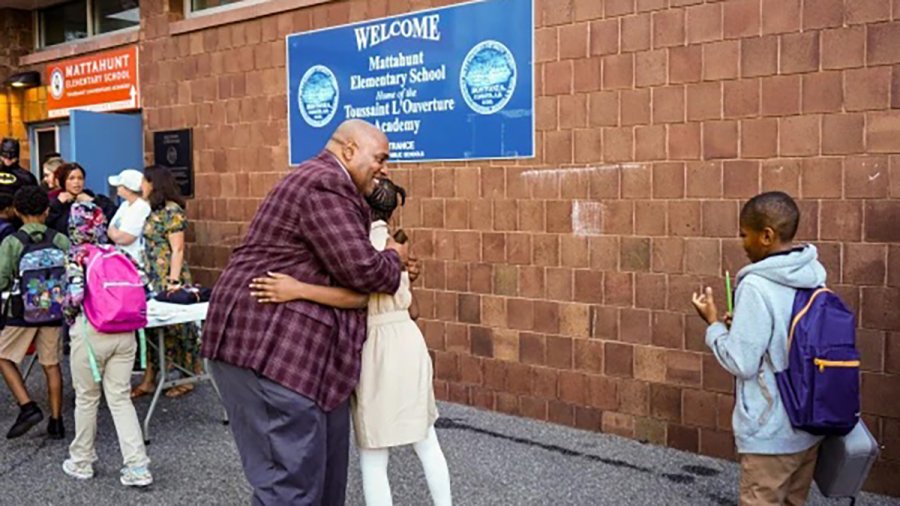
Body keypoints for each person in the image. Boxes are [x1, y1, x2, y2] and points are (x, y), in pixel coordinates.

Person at [201, 119, 408, 505]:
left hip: (298, 360)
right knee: (290, 488)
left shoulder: (327, 185)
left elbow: (357, 282)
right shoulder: (326, 183)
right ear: (349, 151)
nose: (384, 169)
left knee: (323, 483)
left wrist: (387, 268)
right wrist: (394, 260)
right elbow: (363, 270)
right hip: (269, 351)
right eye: (379, 158)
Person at [249, 178, 451, 506]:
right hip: (409, 342)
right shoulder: (397, 244)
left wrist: (295, 288)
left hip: (374, 346)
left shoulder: (352, 246)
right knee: (426, 440)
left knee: (373, 454)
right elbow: (414, 310)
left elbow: (354, 299)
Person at [690, 191, 824, 506]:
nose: (742, 243)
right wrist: (742, 326)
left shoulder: (755, 284)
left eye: (744, 235)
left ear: (766, 236)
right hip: (808, 425)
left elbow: (742, 362)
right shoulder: (812, 275)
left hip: (771, 431)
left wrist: (713, 325)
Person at [60, 202, 153, 487]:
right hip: (125, 333)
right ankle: (137, 467)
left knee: (87, 398)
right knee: (120, 397)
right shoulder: (118, 253)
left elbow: (74, 296)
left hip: (91, 333)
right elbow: (144, 282)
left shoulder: (77, 256)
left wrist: (67, 315)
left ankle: (82, 461)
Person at [0, 186, 69, 439]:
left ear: (17, 211)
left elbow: (2, 278)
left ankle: (27, 406)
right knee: (51, 365)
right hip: (53, 310)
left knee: (3, 356)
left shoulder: (12, 242)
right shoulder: (60, 239)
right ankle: (56, 421)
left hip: (22, 313)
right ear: (47, 210)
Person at [129, 166, 198, 399]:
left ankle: (187, 376)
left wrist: (173, 281)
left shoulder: (171, 211)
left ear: (154, 184)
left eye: (144, 182)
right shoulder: (153, 210)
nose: (141, 186)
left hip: (169, 278)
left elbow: (177, 248)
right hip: (152, 278)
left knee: (178, 329)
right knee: (153, 329)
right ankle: (150, 378)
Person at [46, 162, 116, 235]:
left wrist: (93, 201)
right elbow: (46, 223)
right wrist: (58, 203)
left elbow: (113, 216)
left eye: (80, 178)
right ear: (63, 181)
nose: (76, 182)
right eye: (71, 178)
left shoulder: (95, 198)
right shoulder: (54, 201)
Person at [106, 169, 151, 267]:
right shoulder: (125, 205)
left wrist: (114, 232)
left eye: (120, 185)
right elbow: (110, 229)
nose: (117, 188)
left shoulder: (141, 207)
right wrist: (114, 232)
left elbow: (124, 238)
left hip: (136, 261)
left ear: (128, 188)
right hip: (121, 259)